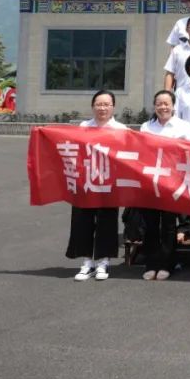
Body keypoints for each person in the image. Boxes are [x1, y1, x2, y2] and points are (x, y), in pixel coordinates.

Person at [67, 90, 127, 282]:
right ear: (93, 106)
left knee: (106, 222)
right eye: (99, 104)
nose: (102, 108)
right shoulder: (84, 127)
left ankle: (103, 261)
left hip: (108, 183)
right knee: (83, 221)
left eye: (106, 104)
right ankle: (87, 262)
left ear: (113, 107)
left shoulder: (121, 129)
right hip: (86, 182)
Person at [138, 90, 190, 281]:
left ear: (173, 106)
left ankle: (167, 264)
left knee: (169, 225)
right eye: (159, 104)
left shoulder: (183, 126)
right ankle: (151, 263)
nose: (163, 107)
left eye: (166, 103)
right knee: (150, 224)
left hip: (173, 181)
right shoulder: (146, 127)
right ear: (154, 106)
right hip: (151, 180)